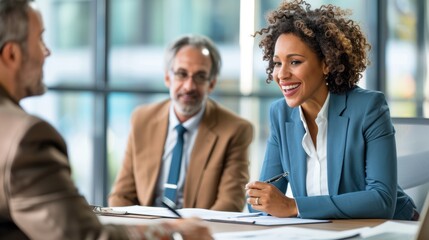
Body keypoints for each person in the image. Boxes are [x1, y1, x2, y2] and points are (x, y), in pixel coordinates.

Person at [0, 0, 212, 239]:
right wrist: (170, 231)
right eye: (40, 39)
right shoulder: (25, 138)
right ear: (12, 54)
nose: (47, 51)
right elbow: (86, 236)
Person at [245, 0, 418, 220]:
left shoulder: (368, 108)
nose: (281, 74)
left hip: (392, 229)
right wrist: (259, 197)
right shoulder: (280, 114)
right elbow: (261, 204)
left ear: (327, 63)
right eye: (277, 63)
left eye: (295, 62)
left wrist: (294, 206)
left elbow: (381, 200)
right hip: (324, 231)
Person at [108, 35, 253, 212]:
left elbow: (230, 204)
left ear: (212, 84)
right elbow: (121, 196)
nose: (189, 86)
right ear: (168, 78)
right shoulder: (142, 119)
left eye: (200, 77)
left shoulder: (235, 130)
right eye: (181, 74)